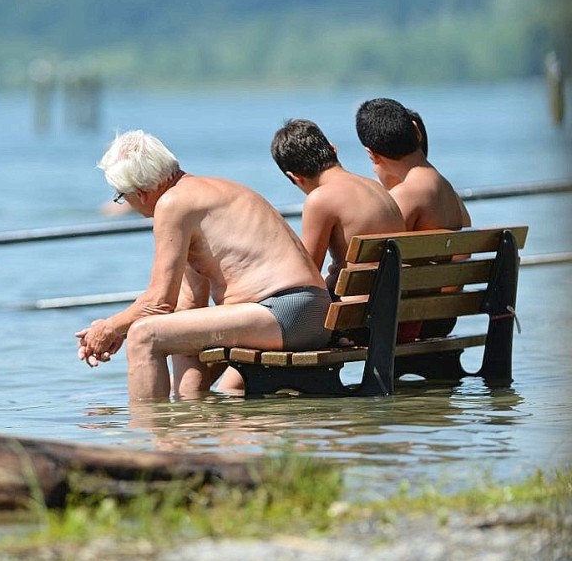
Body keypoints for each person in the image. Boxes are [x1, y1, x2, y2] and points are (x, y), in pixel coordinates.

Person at [75, 130, 331, 402]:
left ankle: (145, 436)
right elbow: (184, 303)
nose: (124, 202)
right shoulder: (205, 192)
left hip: (285, 311)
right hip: (309, 312)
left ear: (141, 193)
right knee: (170, 327)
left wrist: (111, 328)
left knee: (143, 336)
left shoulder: (172, 204)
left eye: (120, 196)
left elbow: (157, 301)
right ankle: (188, 422)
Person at [356, 98, 472, 339]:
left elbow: (369, 270)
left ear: (373, 155)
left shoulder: (402, 197)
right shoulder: (450, 193)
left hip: (407, 321)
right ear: (417, 131)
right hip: (442, 318)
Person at [270, 119, 405, 297]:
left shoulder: (320, 198)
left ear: (295, 177)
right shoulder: (376, 187)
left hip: (358, 313)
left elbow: (307, 274)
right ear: (333, 149)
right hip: (396, 305)